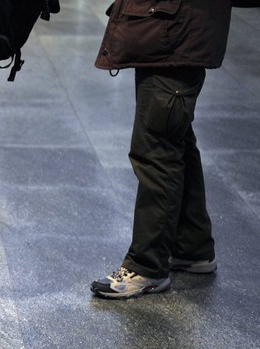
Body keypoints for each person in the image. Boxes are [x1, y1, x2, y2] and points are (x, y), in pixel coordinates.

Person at [90, 1, 245, 299]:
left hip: (173, 33)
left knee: (156, 150)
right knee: (176, 139)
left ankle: (147, 266)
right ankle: (192, 247)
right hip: (171, 29)